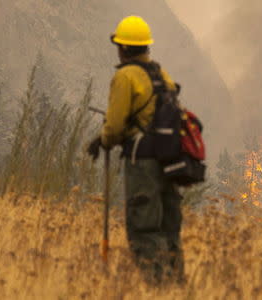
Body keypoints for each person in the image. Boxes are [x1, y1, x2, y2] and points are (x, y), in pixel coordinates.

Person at [87, 16, 184, 285]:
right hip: (170, 161)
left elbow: (116, 125)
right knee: (168, 228)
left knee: (144, 227)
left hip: (143, 164)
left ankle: (156, 288)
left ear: (125, 48)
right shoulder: (161, 75)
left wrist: (103, 141)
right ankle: (176, 288)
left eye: (119, 44)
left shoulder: (125, 76)